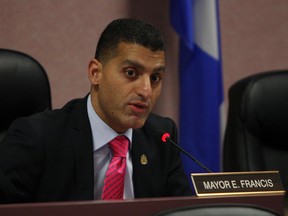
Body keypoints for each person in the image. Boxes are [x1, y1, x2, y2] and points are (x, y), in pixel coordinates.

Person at [0, 18, 192, 203]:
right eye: (131, 73)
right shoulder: (36, 138)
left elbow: (182, 210)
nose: (146, 91)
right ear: (95, 73)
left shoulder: (162, 137)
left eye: (155, 78)